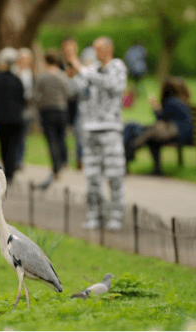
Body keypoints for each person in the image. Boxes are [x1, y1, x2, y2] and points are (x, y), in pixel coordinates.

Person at [67, 36, 128, 231]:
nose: (95, 53)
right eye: (93, 49)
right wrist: (72, 74)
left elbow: (114, 86)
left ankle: (117, 215)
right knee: (92, 176)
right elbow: (74, 90)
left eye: (98, 49)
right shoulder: (90, 71)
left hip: (110, 129)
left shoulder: (117, 67)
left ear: (108, 49)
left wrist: (83, 70)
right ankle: (94, 214)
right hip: (89, 130)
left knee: (114, 174)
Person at [127, 77, 193, 176]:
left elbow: (161, 117)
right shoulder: (179, 100)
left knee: (151, 132)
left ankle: (132, 149)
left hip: (178, 134)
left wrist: (155, 106)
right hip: (185, 134)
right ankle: (156, 169)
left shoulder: (171, 101)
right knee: (152, 139)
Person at [0, 47, 25, 185]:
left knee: (3, 145)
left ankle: (6, 172)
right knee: (13, 146)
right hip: (16, 118)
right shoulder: (17, 80)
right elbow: (22, 99)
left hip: (0, 118)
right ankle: (10, 173)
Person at [34, 50, 69, 189]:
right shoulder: (62, 76)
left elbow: (36, 95)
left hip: (47, 111)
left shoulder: (42, 77)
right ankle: (63, 161)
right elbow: (68, 92)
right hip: (61, 110)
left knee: (51, 139)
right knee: (61, 137)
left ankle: (56, 166)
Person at [61, 36, 82, 169]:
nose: (68, 51)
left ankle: (80, 160)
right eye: (66, 48)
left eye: (71, 48)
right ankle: (64, 161)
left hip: (78, 103)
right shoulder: (59, 65)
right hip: (63, 103)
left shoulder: (81, 65)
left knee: (79, 132)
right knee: (62, 133)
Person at [12, 47, 35, 171]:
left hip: (25, 107)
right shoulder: (13, 72)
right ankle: (12, 159)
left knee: (22, 137)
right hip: (13, 107)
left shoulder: (30, 73)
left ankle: (19, 160)